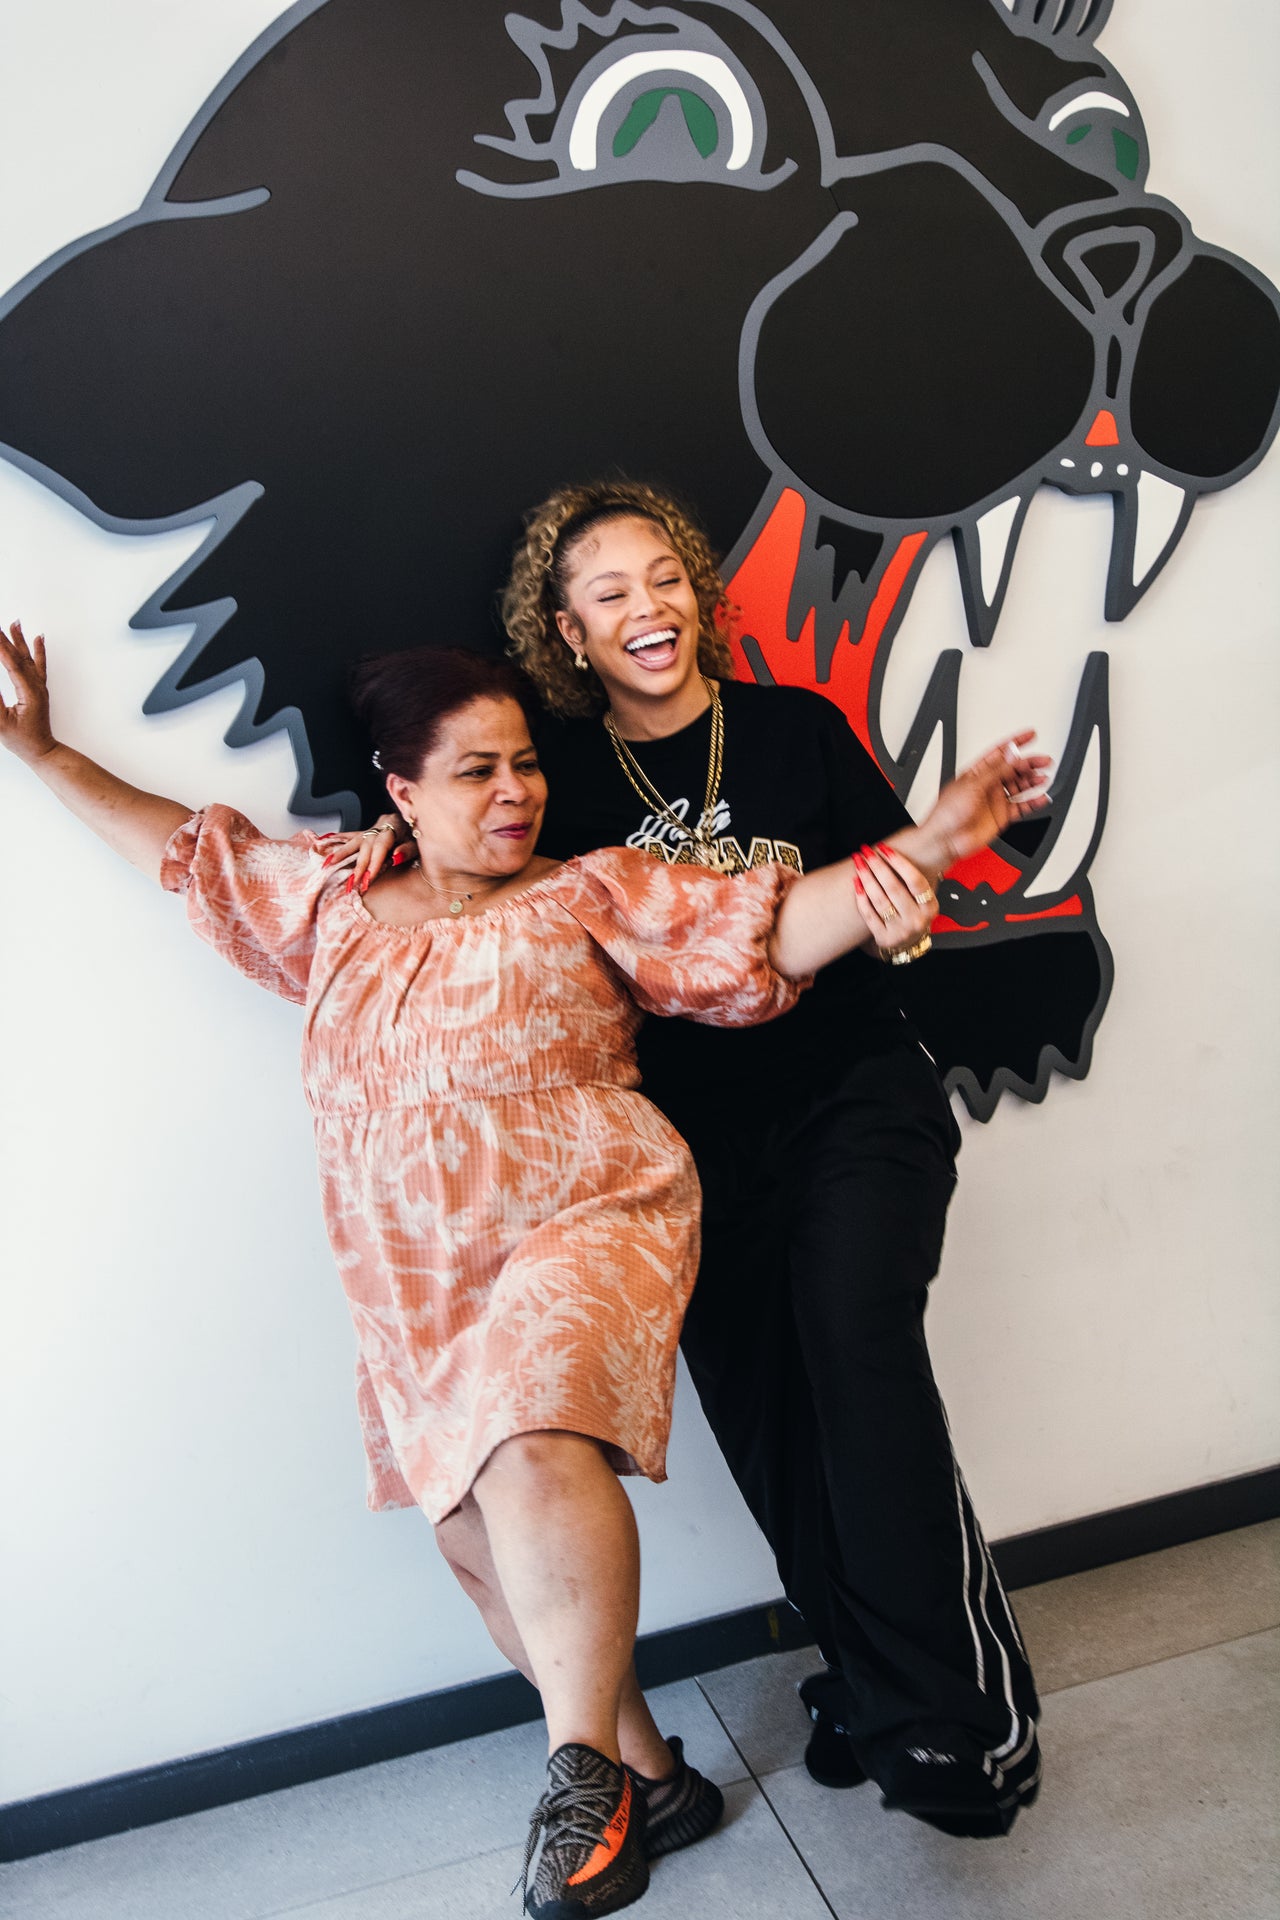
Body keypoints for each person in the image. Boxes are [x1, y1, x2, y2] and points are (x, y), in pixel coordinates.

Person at [0, 617, 1046, 1913]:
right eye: (478, 771)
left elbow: (772, 928)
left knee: (531, 1435)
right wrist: (42, 751)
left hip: (589, 1213)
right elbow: (181, 849)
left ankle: (575, 1781)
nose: (516, 792)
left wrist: (926, 844)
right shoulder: (325, 903)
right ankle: (650, 1773)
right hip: (415, 1269)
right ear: (399, 791)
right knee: (473, 1528)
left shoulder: (593, 889)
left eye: (526, 765)